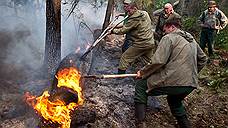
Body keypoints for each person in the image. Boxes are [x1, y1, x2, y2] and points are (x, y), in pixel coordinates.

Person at [134, 15, 207, 128]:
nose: (164, 33)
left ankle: (140, 123)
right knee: (174, 100)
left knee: (141, 85)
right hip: (191, 83)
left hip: (176, 82)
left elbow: (158, 61)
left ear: (172, 27)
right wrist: (192, 73)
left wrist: (143, 73)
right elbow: (203, 59)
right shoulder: (191, 40)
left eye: (165, 30)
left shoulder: (169, 38)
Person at [110, 0, 155, 74]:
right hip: (150, 42)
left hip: (141, 43)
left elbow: (123, 30)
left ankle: (120, 77)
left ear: (134, 8)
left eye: (129, 11)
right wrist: (115, 26)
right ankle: (152, 75)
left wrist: (112, 31)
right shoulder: (144, 13)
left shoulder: (134, 18)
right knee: (149, 61)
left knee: (124, 58)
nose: (128, 13)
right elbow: (129, 25)